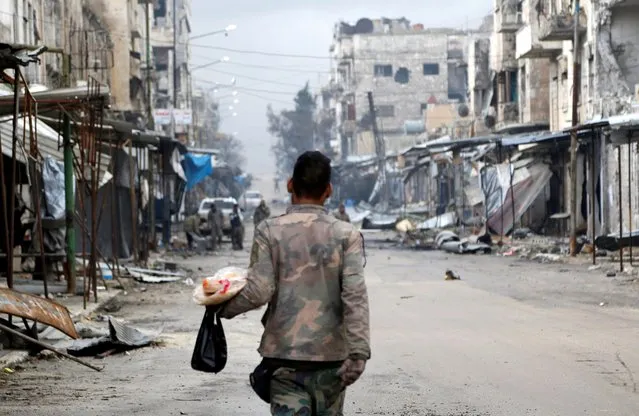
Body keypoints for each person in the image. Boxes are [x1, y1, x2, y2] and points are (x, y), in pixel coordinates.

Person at [219, 151, 370, 415]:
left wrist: (219, 308)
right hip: (331, 360)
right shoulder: (347, 235)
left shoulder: (269, 230)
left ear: (290, 185)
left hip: (284, 360)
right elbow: (354, 295)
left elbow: (259, 290)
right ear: (329, 190)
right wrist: (358, 353)